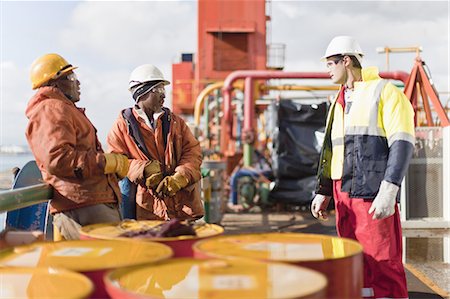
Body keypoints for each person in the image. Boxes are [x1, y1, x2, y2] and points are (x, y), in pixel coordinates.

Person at [311, 36, 415, 298]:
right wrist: (324, 190)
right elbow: (332, 149)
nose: (327, 69)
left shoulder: (385, 92)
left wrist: (389, 189)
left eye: (331, 63)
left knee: (382, 261)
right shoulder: (339, 100)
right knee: (352, 261)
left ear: (346, 60)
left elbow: (402, 143)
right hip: (342, 194)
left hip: (371, 192)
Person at [26, 53, 129, 240]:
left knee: (107, 262)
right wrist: (105, 162)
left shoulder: (62, 109)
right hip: (84, 205)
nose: (78, 83)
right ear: (54, 83)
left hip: (91, 202)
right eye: (71, 77)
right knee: (111, 260)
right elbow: (58, 159)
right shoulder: (51, 108)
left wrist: (111, 171)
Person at [107, 64, 204, 220]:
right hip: (146, 206)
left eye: (163, 90)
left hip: (180, 205)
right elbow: (115, 160)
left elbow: (192, 151)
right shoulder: (122, 126)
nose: (163, 95)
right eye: (158, 90)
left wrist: (181, 176)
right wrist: (142, 170)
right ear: (141, 93)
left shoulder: (176, 122)